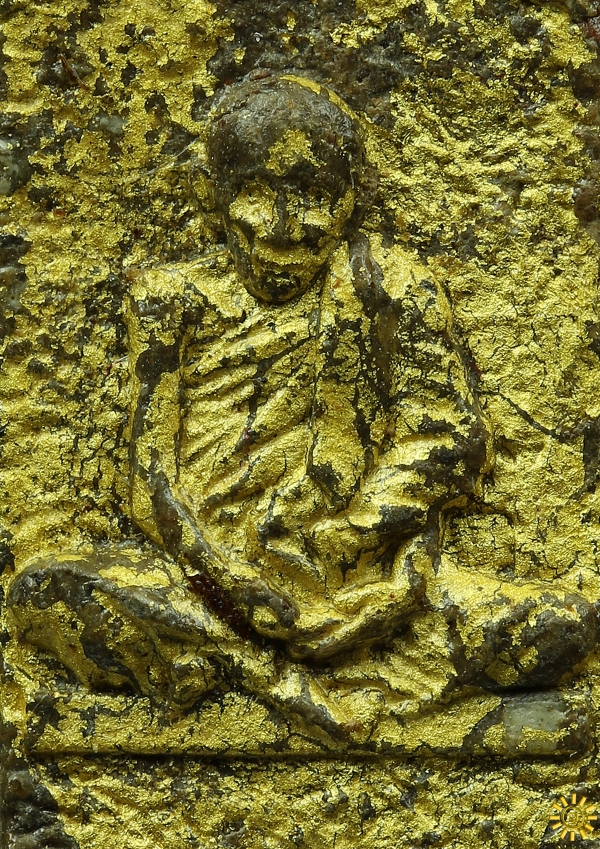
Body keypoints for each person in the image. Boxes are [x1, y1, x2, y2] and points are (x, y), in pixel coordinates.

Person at [8, 74, 597, 741]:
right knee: (42, 595)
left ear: (351, 200)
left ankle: (247, 673)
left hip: (362, 579)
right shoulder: (172, 299)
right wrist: (230, 581)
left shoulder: (388, 288)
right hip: (208, 581)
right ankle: (278, 679)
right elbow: (149, 482)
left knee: (563, 625)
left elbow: (447, 442)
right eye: (257, 194)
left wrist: (377, 565)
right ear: (212, 192)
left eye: (314, 197)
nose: (285, 229)